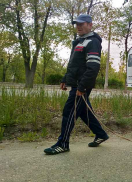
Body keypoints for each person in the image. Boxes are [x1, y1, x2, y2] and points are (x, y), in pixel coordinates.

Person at [44, 14, 109, 155]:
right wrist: (65, 78)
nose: (78, 26)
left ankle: (63, 144)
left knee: (69, 112)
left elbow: (93, 67)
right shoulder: (79, 42)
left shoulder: (92, 42)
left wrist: (83, 87)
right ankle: (101, 134)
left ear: (90, 25)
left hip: (82, 86)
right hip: (77, 84)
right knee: (84, 112)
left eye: (82, 24)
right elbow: (73, 65)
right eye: (77, 24)